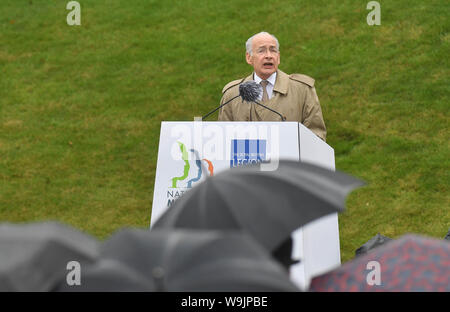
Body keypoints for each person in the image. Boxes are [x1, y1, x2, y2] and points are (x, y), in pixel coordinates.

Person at [218, 31, 327, 141]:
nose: (269, 56)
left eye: (273, 50)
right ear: (249, 58)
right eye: (261, 51)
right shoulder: (233, 94)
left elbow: (316, 135)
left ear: (278, 57)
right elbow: (223, 141)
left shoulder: (302, 90)